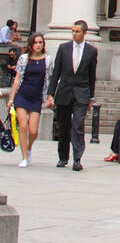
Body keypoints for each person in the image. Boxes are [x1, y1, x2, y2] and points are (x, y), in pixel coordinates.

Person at [45, 20, 97, 171]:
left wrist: (91, 98)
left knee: (78, 125)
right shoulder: (64, 48)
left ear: (84, 33)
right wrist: (50, 94)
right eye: (73, 31)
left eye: (77, 31)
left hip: (81, 93)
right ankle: (63, 157)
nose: (74, 34)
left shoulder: (91, 51)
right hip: (64, 91)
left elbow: (92, 76)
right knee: (64, 126)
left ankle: (77, 158)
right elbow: (56, 73)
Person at [8, 32, 53, 166]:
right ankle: (24, 158)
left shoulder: (48, 59)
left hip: (36, 97)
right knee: (23, 126)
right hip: (23, 95)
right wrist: (11, 98)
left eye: (40, 43)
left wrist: (50, 96)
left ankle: (29, 148)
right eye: (36, 43)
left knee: (33, 131)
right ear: (31, 44)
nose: (38, 45)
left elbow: (51, 79)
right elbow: (17, 79)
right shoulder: (24, 58)